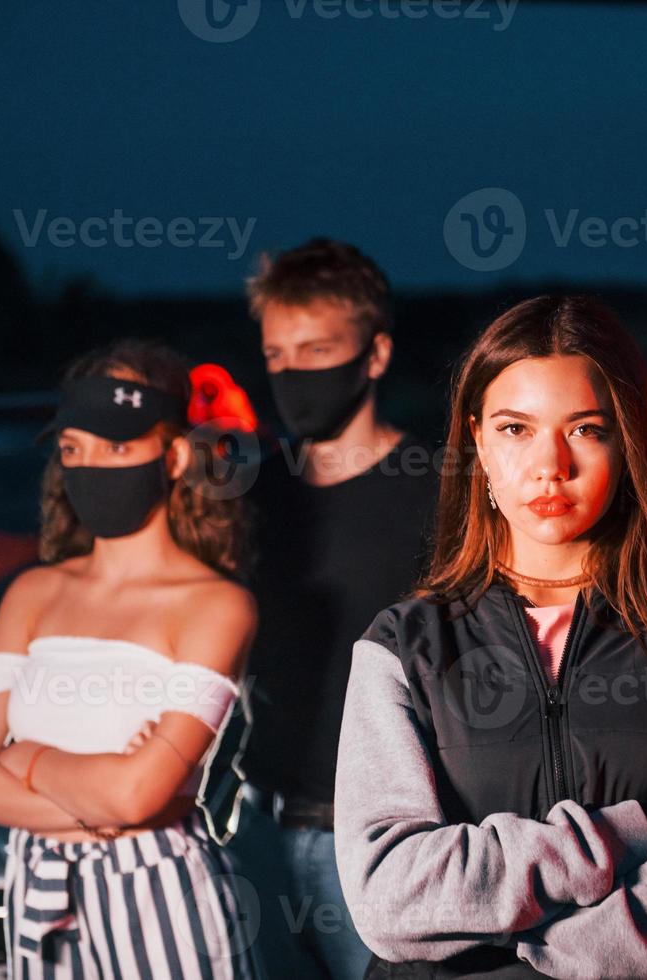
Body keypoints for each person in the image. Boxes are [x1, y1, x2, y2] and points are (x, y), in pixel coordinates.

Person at [334, 294, 647, 978]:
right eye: (516, 429)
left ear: (628, 440)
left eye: (585, 429)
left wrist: (543, 957)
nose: (551, 464)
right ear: (478, 442)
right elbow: (390, 896)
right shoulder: (402, 647)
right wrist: (621, 837)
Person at [0, 338, 260, 979]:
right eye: (72, 449)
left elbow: (139, 795)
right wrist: (103, 806)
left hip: (162, 898)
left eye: (117, 446)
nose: (90, 466)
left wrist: (25, 757)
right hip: (38, 892)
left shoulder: (217, 605)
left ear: (171, 456)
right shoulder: (34, 591)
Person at [231, 237, 438, 979]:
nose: (294, 375)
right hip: (258, 829)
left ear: (374, 354)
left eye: (317, 349)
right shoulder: (251, 499)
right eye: (277, 356)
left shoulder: (437, 492)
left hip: (387, 839)